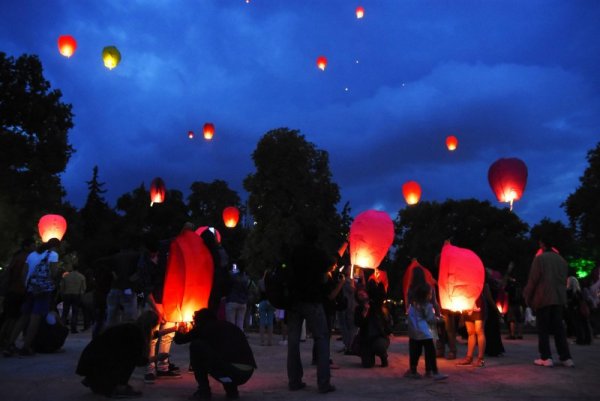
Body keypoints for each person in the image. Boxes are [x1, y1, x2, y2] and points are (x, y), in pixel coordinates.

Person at [286, 226, 336, 394]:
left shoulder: (295, 253)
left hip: (294, 301)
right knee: (321, 339)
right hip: (313, 300)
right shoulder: (319, 254)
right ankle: (323, 383)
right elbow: (330, 265)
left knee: (293, 342)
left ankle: (294, 380)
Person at [174, 308, 257, 400]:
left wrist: (180, 328)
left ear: (199, 320)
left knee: (196, 346)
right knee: (222, 356)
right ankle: (231, 391)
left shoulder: (205, 326)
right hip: (246, 372)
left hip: (232, 372)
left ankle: (204, 391)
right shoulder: (228, 326)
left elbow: (179, 340)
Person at [76, 310, 158, 398]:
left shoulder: (130, 327)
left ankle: (93, 379)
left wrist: (170, 330)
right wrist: (157, 357)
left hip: (90, 359)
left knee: (124, 356)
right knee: (129, 359)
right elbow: (137, 360)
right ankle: (120, 387)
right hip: (97, 362)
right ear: (151, 326)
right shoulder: (135, 334)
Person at [4, 238, 61, 357]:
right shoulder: (53, 255)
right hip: (43, 291)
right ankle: (26, 347)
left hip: (30, 289)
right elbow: (54, 273)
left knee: (23, 316)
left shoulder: (32, 255)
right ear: (55, 246)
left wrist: (27, 286)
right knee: (35, 318)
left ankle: (10, 344)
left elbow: (24, 272)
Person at [523, 238, 574, 367]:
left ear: (542, 244)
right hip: (558, 298)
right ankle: (566, 357)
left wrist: (527, 296)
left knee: (543, 329)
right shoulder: (562, 260)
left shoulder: (540, 259)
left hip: (543, 297)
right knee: (559, 329)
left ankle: (546, 357)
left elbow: (533, 280)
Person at [405, 281, 447, 380]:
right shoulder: (427, 306)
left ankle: (413, 370)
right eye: (430, 294)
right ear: (426, 295)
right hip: (426, 333)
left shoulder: (413, 305)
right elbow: (430, 319)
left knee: (415, 352)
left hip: (415, 333)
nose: (431, 296)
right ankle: (433, 371)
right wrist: (438, 319)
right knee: (430, 352)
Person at [0, 238, 35, 350]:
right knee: (14, 318)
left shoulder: (16, 258)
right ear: (26, 247)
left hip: (11, 290)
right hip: (19, 291)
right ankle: (8, 341)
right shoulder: (25, 259)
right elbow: (23, 275)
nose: (34, 248)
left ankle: (4, 340)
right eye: (32, 245)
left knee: (8, 317)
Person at [353, 284, 391, 368]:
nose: (362, 296)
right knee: (367, 365)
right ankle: (367, 355)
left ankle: (383, 356)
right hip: (366, 339)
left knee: (379, 346)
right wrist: (364, 312)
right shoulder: (358, 309)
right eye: (359, 295)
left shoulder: (375, 305)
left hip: (378, 336)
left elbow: (381, 296)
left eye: (363, 293)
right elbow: (358, 323)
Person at [455, 282, 488, 367]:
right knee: (470, 332)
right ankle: (469, 357)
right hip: (467, 302)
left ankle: (481, 359)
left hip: (478, 302)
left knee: (479, 330)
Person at [59, 263, 86, 333]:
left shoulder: (66, 276)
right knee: (75, 312)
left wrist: (62, 295)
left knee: (65, 312)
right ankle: (73, 328)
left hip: (67, 294)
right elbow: (83, 288)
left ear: (72, 268)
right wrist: (81, 295)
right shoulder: (81, 277)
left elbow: (62, 287)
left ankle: (61, 327)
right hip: (76, 295)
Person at [566, 276, 592, 345]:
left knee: (578, 325)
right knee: (585, 324)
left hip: (575, 310)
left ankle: (580, 339)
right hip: (582, 310)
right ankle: (588, 339)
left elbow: (569, 302)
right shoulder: (579, 291)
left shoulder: (569, 291)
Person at [225, 263, 250, 333]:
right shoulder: (246, 278)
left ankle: (231, 340)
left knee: (230, 324)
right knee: (240, 324)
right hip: (243, 302)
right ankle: (239, 339)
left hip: (232, 300)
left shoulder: (233, 276)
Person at [257, 270, 276, 346]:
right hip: (271, 302)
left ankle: (262, 341)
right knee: (270, 322)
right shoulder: (273, 282)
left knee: (262, 322)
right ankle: (270, 341)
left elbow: (259, 291)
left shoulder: (260, 282)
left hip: (262, 302)